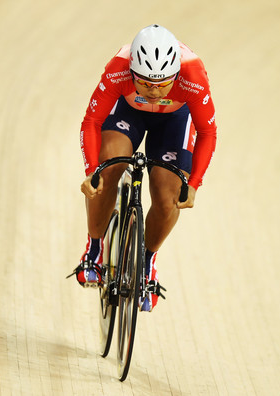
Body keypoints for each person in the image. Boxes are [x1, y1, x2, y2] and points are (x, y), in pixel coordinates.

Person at [69, 24, 217, 312]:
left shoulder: (193, 75)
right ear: (132, 71)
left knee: (168, 197)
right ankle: (95, 251)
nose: (153, 90)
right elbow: (91, 122)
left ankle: (147, 264)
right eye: (146, 82)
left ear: (175, 74)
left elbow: (208, 133)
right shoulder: (119, 67)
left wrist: (195, 183)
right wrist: (92, 170)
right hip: (128, 112)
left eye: (162, 84)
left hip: (174, 121)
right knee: (109, 168)